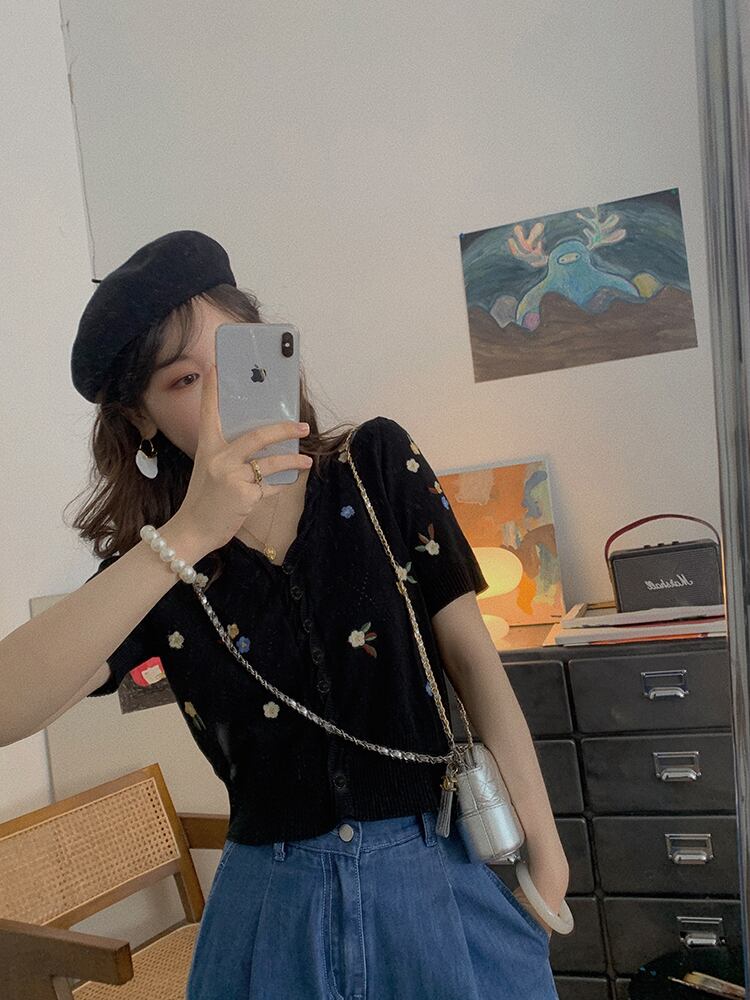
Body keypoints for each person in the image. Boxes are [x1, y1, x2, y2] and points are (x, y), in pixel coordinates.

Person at [1, 231, 568, 999]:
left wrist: (543, 844)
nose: (220, 397)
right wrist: (188, 534)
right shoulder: (160, 563)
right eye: (183, 381)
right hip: (270, 911)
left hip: (439, 872)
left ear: (271, 346)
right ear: (141, 418)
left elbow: (471, 658)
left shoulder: (376, 466)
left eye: (235, 358)